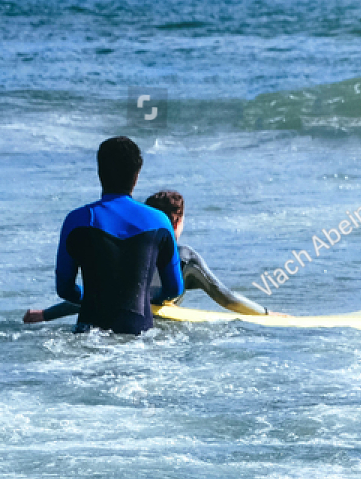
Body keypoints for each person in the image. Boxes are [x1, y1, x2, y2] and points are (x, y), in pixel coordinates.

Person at [25, 186, 282, 325]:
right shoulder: (185, 258)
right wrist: (267, 314)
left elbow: (101, 295)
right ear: (177, 221)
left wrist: (46, 314)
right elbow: (226, 298)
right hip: (155, 332)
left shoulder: (131, 252)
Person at [39, 136, 184, 335]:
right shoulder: (160, 222)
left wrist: (90, 296)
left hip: (88, 332)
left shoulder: (76, 220)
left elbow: (65, 289)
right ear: (137, 175)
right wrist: (151, 298)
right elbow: (174, 288)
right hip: (139, 334)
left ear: (99, 173)